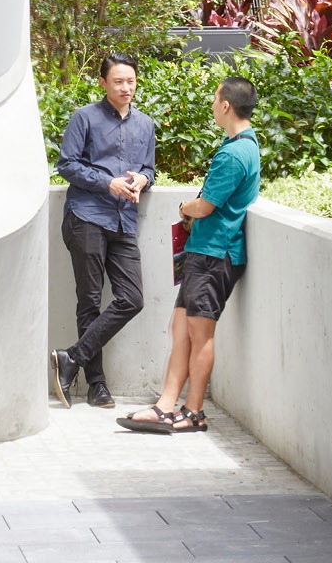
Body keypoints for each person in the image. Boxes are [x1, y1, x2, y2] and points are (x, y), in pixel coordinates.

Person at [118, 73, 260, 435]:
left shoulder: (235, 153)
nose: (213, 105)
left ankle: (194, 412)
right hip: (205, 252)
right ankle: (165, 406)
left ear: (226, 105)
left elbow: (206, 206)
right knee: (179, 326)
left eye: (215, 99)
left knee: (200, 334)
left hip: (215, 254)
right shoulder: (244, 146)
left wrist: (185, 206)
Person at [49, 52, 156, 409]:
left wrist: (143, 177)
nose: (126, 88)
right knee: (90, 300)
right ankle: (97, 386)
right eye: (118, 82)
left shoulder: (146, 124)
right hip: (87, 216)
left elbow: (149, 170)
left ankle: (71, 358)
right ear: (103, 83)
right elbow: (66, 164)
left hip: (124, 220)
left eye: (131, 81)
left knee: (133, 299)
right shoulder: (85, 118)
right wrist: (107, 183)